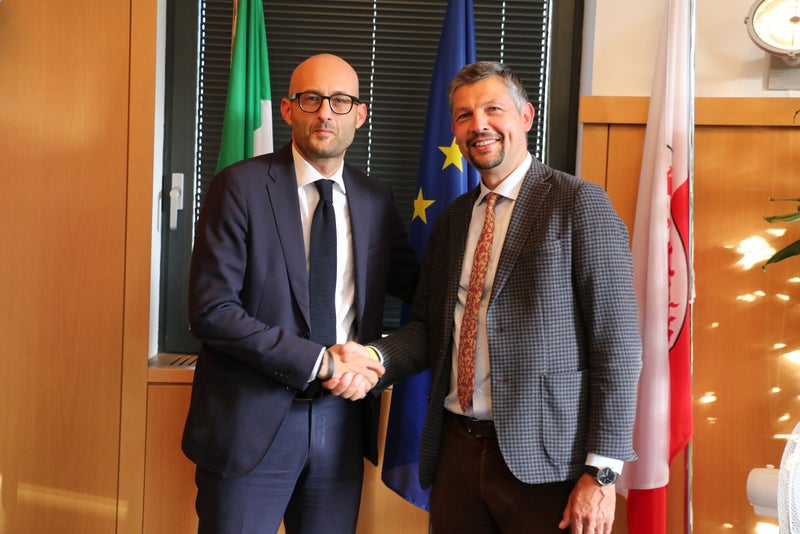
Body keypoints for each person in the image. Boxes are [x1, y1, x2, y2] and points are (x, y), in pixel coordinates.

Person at [332, 61, 642, 533]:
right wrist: (374, 357)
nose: (478, 124)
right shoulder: (453, 221)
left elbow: (617, 346)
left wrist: (601, 473)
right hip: (457, 451)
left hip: (550, 464)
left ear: (526, 116)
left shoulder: (579, 203)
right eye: (464, 115)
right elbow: (431, 330)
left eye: (493, 109)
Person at [181, 53, 419, 534]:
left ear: (360, 114)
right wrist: (320, 362)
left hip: (342, 422)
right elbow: (212, 309)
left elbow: (419, 288)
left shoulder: (376, 199)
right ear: (288, 109)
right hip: (250, 423)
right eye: (311, 99)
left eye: (340, 101)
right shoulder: (239, 187)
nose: (325, 113)